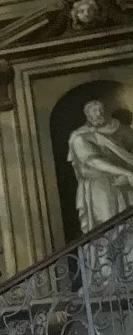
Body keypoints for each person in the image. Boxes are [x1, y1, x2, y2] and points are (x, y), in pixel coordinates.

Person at [67, 99, 133, 234]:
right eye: (95, 111)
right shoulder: (80, 137)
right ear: (88, 115)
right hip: (100, 187)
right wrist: (126, 173)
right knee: (108, 225)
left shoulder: (119, 131)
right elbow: (94, 162)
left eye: (101, 110)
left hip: (124, 183)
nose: (99, 113)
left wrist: (127, 174)